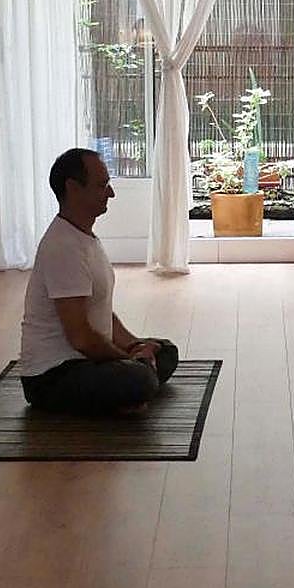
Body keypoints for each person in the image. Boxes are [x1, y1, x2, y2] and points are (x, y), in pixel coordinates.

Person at [19, 148, 179, 415]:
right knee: (139, 379)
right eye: (102, 185)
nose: (111, 193)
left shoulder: (84, 238)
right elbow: (81, 337)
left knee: (166, 351)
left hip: (87, 361)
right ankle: (132, 390)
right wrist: (129, 360)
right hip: (53, 376)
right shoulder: (63, 247)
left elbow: (101, 313)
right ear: (73, 188)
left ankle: (131, 390)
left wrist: (136, 346)